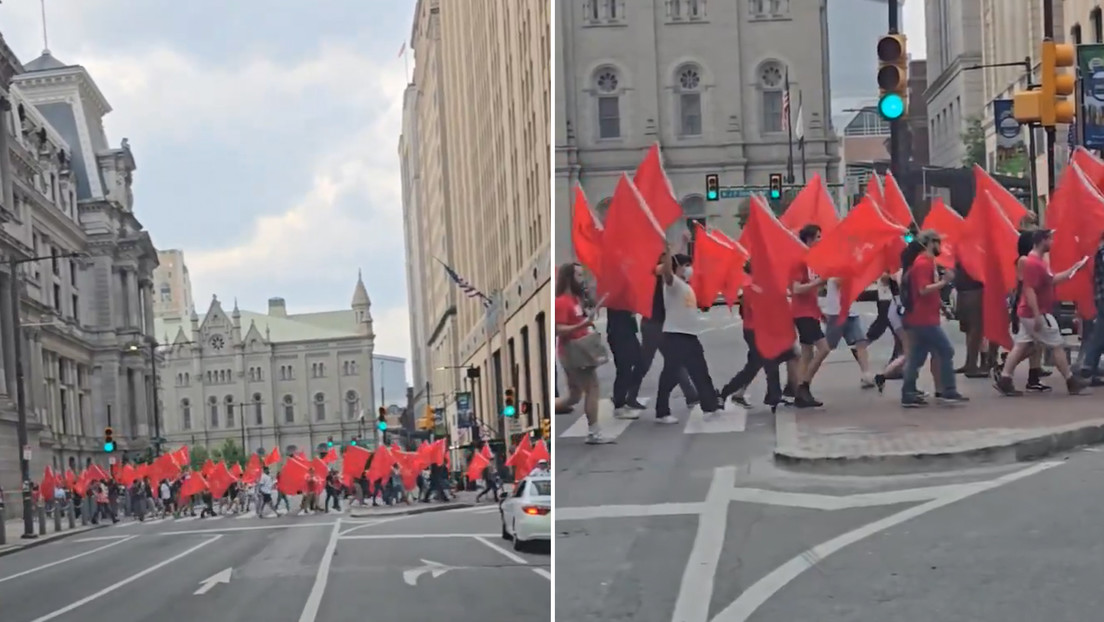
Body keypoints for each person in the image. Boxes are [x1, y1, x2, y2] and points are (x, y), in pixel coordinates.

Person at [995, 229, 1089, 395]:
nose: (1052, 243)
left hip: (1029, 312)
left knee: (1020, 346)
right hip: (1036, 313)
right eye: (1050, 240)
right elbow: (1029, 289)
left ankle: (1005, 378)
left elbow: (1051, 280)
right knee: (1057, 345)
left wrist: (1073, 270)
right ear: (1042, 241)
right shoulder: (1033, 263)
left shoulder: (1037, 261)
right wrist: (1037, 315)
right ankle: (1070, 380)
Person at [653, 250, 727, 423]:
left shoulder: (686, 286)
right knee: (670, 375)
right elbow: (668, 273)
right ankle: (662, 411)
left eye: (689, 266)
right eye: (685, 266)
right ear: (677, 268)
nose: (689, 269)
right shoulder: (673, 285)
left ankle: (710, 406)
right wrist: (673, 251)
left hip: (690, 336)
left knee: (700, 371)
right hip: (675, 336)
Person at [901, 230, 968, 407]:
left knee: (917, 356)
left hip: (925, 317)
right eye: (938, 242)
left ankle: (908, 392)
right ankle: (949, 390)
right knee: (946, 350)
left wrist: (942, 306)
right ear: (930, 242)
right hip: (924, 319)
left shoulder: (927, 262)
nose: (941, 246)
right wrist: (944, 282)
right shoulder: (923, 263)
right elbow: (923, 290)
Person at [554, 262, 611, 444]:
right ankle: (594, 432)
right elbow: (559, 329)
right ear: (569, 279)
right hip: (573, 349)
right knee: (592, 387)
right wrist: (582, 325)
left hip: (577, 348)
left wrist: (588, 318)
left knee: (574, 395)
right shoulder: (562, 302)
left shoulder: (575, 300)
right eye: (578, 275)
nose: (582, 279)